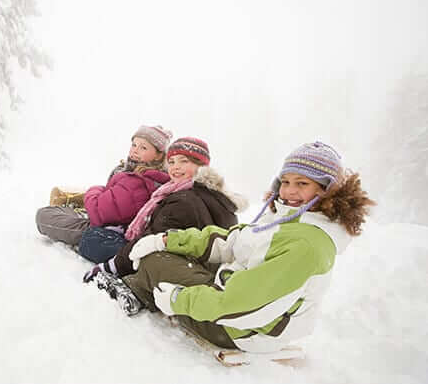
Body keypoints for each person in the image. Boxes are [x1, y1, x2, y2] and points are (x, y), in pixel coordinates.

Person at [125, 141, 376, 353]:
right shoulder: (287, 218)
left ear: (327, 189)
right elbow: (234, 241)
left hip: (243, 328)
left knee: (157, 262)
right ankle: (151, 282)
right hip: (237, 298)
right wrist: (169, 240)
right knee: (171, 253)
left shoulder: (306, 243)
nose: (289, 191)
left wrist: (179, 299)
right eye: (286, 182)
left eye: (302, 184)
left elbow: (244, 305)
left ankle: (140, 290)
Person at [83, 137, 247, 283]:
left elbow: (151, 238)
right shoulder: (209, 193)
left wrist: (112, 266)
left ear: (201, 166)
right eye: (172, 162)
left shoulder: (184, 198)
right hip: (194, 259)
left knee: (92, 239)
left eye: (184, 161)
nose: (176, 167)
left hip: (178, 264)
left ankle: (136, 284)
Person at [35, 125, 172, 253]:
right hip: (113, 219)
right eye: (134, 145)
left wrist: (95, 190)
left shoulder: (139, 181)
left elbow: (98, 214)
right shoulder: (147, 175)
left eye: (143, 148)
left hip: (107, 230)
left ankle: (76, 208)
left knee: (44, 216)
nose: (135, 150)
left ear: (159, 155)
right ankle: (76, 207)